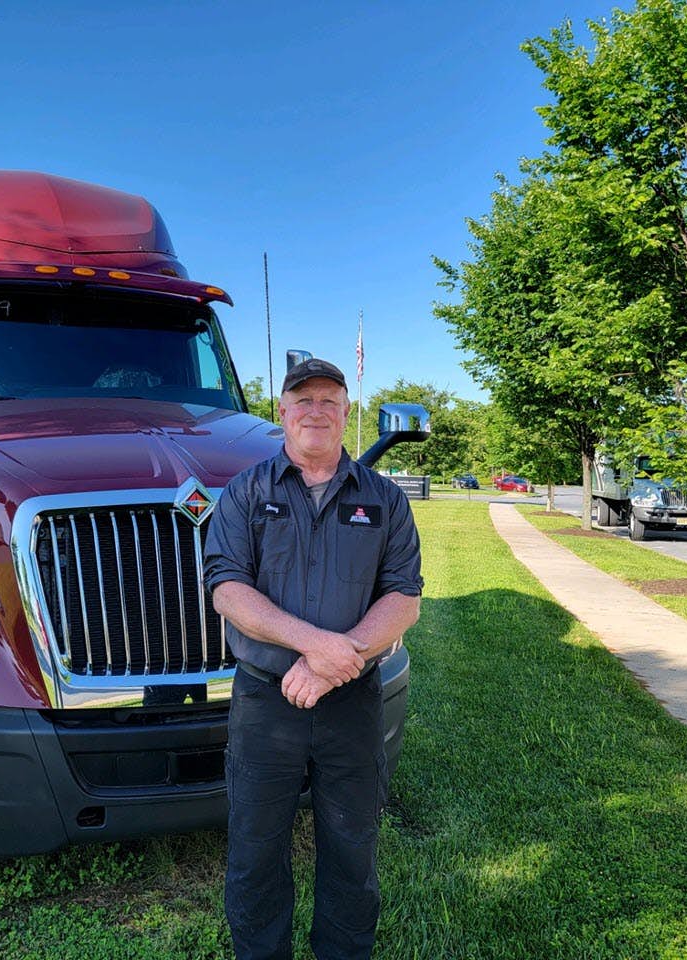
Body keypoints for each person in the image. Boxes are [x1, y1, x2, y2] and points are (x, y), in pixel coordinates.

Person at [204, 357, 423, 960]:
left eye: (330, 400)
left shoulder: (383, 500)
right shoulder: (247, 492)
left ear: (347, 413)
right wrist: (316, 646)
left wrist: (332, 663)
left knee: (353, 852)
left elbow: (404, 600)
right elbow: (227, 589)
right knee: (255, 853)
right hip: (265, 701)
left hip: (352, 702)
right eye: (303, 400)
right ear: (282, 412)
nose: (316, 411)